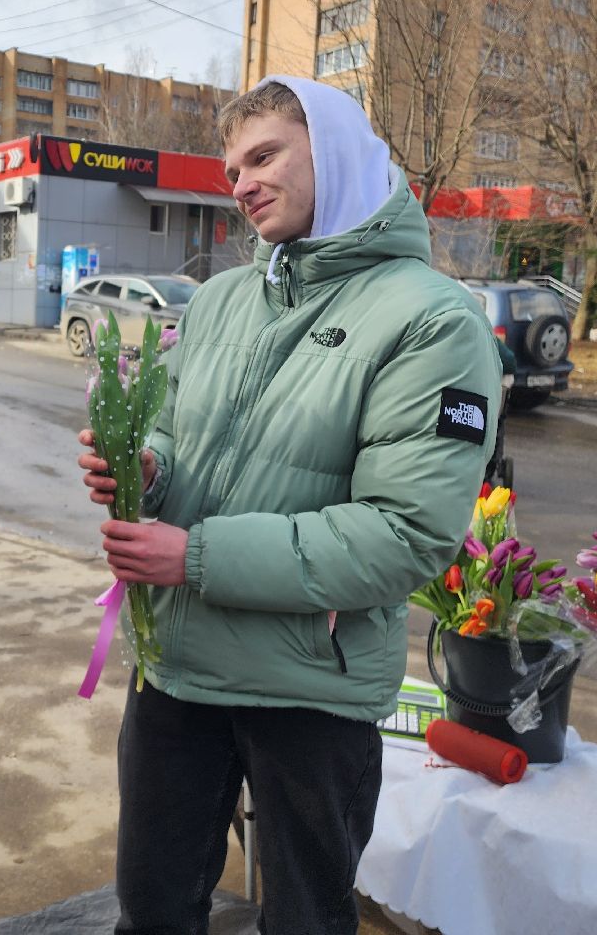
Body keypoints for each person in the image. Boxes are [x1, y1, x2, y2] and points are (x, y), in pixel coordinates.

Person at [77, 77, 501, 935]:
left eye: (264, 156)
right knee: (152, 908)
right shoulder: (225, 299)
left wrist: (191, 556)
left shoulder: (430, 320)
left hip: (310, 690)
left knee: (305, 919)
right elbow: (173, 428)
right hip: (177, 672)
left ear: (334, 152)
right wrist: (144, 469)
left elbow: (405, 536)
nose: (242, 184)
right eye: (233, 168)